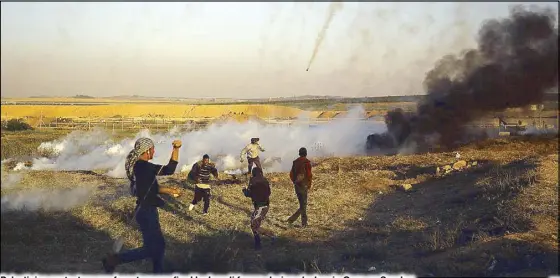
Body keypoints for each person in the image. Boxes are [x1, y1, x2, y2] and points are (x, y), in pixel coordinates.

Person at [102, 138, 182, 273]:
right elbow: (169, 170)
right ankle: (115, 260)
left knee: (158, 246)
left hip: (144, 210)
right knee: (153, 248)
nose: (154, 151)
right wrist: (176, 148)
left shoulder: (140, 167)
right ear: (147, 150)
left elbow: (154, 184)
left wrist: (169, 190)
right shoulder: (144, 166)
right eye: (153, 148)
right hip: (147, 211)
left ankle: (158, 272)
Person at [242, 167, 275, 250]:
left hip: (260, 207)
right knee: (255, 225)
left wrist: (244, 190)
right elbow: (269, 192)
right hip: (265, 205)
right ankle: (258, 245)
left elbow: (248, 193)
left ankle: (270, 235)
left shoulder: (253, 181)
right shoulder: (265, 180)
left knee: (254, 226)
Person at [287, 147, 313, 227]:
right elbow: (309, 175)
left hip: (297, 186)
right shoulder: (306, 163)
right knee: (303, 205)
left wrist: (295, 181)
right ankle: (302, 223)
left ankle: (293, 220)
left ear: (299, 153)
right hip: (303, 186)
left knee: (302, 204)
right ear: (306, 153)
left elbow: (291, 174)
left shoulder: (295, 162)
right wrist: (309, 184)